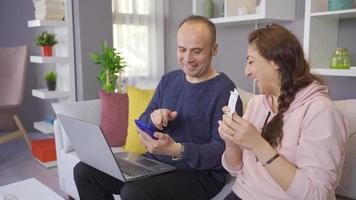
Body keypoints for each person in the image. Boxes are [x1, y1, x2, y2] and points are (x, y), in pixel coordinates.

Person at [73, 15, 242, 200]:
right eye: (182, 49)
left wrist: (179, 150)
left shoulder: (225, 91)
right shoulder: (169, 80)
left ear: (214, 49)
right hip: (155, 163)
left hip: (199, 174)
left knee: (133, 192)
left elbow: (224, 152)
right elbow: (144, 119)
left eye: (197, 51)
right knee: (85, 171)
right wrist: (153, 118)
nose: (187, 58)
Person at [218, 24, 348, 200]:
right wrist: (231, 141)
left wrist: (258, 144)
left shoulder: (320, 111)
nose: (246, 71)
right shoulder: (257, 104)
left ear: (276, 62)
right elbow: (235, 169)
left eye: (251, 61)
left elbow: (316, 195)